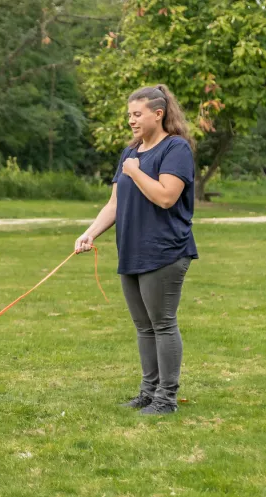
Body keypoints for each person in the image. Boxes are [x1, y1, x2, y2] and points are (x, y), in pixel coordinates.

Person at [75, 84, 198, 415]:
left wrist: (136, 171)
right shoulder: (130, 153)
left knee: (163, 324)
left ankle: (166, 399)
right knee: (144, 326)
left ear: (158, 114)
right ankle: (148, 392)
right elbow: (114, 203)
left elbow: (165, 196)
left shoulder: (176, 149)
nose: (131, 120)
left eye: (137, 114)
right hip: (131, 250)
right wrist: (90, 233)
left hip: (165, 251)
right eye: (129, 114)